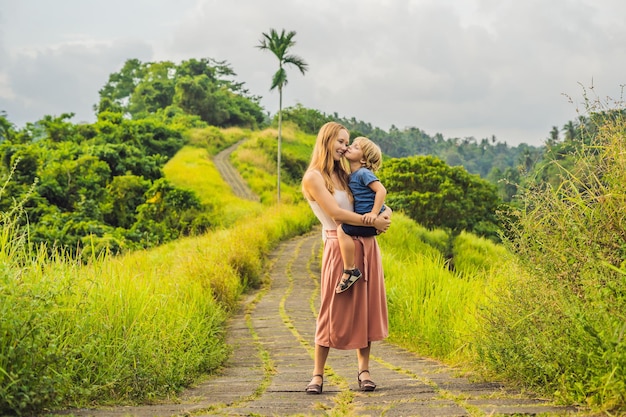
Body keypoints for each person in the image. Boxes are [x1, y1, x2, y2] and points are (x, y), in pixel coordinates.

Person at [301, 121, 391, 395]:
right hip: (337, 246)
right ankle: (317, 375)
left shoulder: (346, 174)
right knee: (330, 308)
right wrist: (373, 222)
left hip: (365, 245)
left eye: (347, 142)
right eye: (340, 141)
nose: (343, 146)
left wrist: (383, 216)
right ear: (326, 140)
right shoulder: (314, 177)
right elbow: (337, 215)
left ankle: (364, 371)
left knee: (364, 307)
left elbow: (371, 199)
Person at [335, 136, 387, 294]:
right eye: (352, 144)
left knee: (342, 230)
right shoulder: (352, 175)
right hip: (367, 220)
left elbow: (381, 190)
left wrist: (374, 213)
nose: (350, 147)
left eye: (356, 147)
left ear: (364, 159)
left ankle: (350, 269)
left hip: (368, 220)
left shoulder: (364, 173)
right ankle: (350, 268)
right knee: (344, 230)